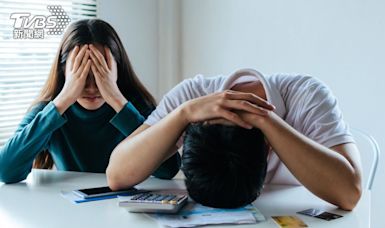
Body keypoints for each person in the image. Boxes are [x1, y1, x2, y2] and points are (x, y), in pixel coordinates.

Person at [106, 68, 362, 210]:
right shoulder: (190, 97)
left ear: (268, 147)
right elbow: (117, 175)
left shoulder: (307, 96)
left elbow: (350, 194)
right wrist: (183, 113)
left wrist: (265, 118)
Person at [0, 19, 180, 184]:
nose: (92, 88)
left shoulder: (135, 106)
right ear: (64, 72)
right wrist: (63, 100)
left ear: (116, 69)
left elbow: (168, 169)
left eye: (101, 73)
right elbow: (5, 170)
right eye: (82, 74)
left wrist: (118, 101)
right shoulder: (51, 110)